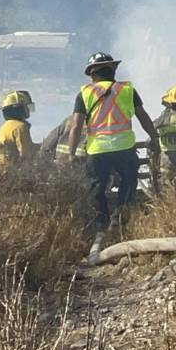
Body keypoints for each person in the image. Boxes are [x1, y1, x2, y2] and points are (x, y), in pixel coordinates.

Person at [65, 52, 160, 235]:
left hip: (97, 150)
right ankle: (119, 219)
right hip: (124, 147)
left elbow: (76, 126)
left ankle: (101, 225)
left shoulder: (84, 93)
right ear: (113, 70)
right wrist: (154, 137)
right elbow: (143, 117)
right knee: (128, 183)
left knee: (96, 187)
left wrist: (71, 153)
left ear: (92, 74)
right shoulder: (127, 90)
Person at [0, 90, 36, 167]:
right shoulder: (20, 127)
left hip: (4, 170)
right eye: (26, 107)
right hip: (15, 172)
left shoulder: (5, 126)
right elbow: (25, 154)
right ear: (19, 109)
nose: (28, 111)